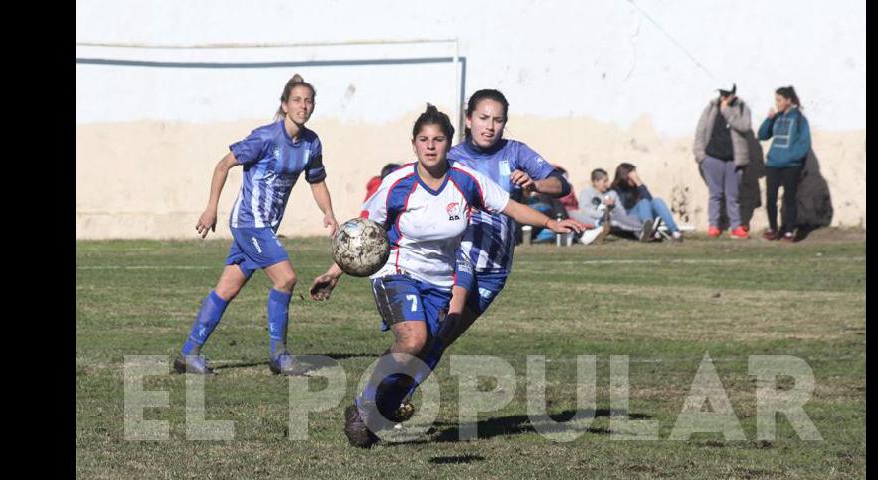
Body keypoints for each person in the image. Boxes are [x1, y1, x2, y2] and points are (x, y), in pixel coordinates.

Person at [306, 104, 585, 447]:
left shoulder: (466, 180)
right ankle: (364, 406)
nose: (431, 146)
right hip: (398, 270)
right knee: (413, 340)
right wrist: (336, 271)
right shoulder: (397, 184)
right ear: (414, 144)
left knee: (432, 344)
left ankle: (382, 408)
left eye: (438, 139)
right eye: (423, 139)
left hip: (442, 279)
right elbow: (361, 234)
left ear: (449, 142)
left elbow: (510, 207)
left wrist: (551, 223)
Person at [175, 74, 339, 375]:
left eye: (308, 100)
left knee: (227, 288)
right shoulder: (265, 137)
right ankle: (279, 355)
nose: (303, 106)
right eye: (297, 100)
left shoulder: (311, 143)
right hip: (249, 223)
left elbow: (317, 181)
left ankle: (188, 353)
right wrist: (211, 208)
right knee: (286, 278)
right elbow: (223, 164)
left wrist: (328, 212)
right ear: (284, 105)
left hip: (266, 227)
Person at [694, 83, 753, 239]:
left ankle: (736, 226)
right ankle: (714, 225)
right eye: (721, 93)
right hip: (713, 157)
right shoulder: (711, 108)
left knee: (733, 196)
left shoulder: (742, 108)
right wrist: (701, 156)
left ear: (733, 94)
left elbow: (744, 126)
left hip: (734, 159)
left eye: (726, 94)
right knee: (715, 194)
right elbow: (701, 130)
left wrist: (727, 111)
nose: (723, 97)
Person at [757, 86, 812, 242]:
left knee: (789, 198)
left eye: (780, 100)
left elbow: (804, 143)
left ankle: (789, 231)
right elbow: (762, 135)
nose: (777, 103)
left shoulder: (800, 119)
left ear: (788, 101)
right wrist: (769, 119)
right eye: (776, 100)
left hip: (791, 166)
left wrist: (792, 158)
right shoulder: (777, 117)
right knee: (771, 197)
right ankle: (773, 229)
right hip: (773, 164)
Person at [576, 168, 656, 242]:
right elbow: (585, 211)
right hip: (599, 221)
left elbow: (622, 213)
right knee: (614, 220)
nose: (607, 184)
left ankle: (643, 231)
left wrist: (613, 207)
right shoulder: (586, 193)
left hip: (616, 220)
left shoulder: (611, 193)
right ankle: (643, 231)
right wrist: (604, 214)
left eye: (607, 181)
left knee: (626, 218)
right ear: (595, 182)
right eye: (605, 181)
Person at [610, 163, 683, 241]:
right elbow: (622, 208)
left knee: (657, 201)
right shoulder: (616, 189)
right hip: (629, 218)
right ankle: (648, 231)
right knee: (643, 202)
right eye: (633, 174)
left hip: (644, 216)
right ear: (626, 175)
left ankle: (675, 232)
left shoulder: (637, 186)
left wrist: (638, 182)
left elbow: (650, 201)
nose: (636, 176)